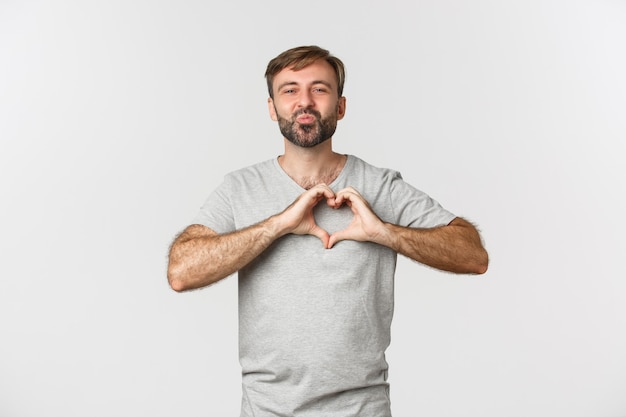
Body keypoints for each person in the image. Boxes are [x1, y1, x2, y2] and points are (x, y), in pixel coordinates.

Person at [167, 45, 489, 417]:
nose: (304, 101)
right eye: (289, 90)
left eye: (319, 89)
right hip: (266, 410)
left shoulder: (380, 186)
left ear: (340, 106)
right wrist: (278, 225)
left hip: (362, 410)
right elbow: (181, 271)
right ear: (272, 108)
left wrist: (384, 232)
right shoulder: (240, 188)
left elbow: (473, 255)